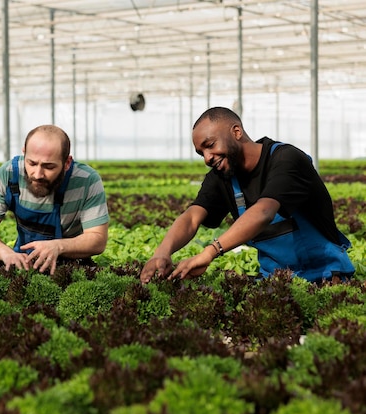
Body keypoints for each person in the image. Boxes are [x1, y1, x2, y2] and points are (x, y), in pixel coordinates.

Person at [140, 106, 354, 284]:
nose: (206, 158)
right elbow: (192, 216)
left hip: (325, 276)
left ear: (236, 132)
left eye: (210, 145)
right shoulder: (222, 175)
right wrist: (162, 251)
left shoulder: (286, 159)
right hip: (275, 281)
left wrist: (210, 252)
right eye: (201, 153)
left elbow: (264, 212)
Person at [0, 124, 109, 275]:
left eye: (49, 167)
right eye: (32, 163)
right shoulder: (9, 175)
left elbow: (98, 239)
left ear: (67, 163)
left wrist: (58, 246)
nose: (37, 174)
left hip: (71, 266)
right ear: (24, 154)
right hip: (23, 262)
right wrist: (5, 253)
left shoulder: (87, 181)